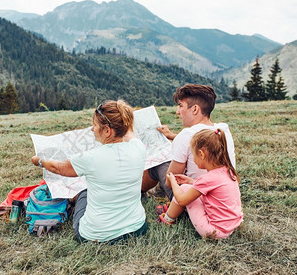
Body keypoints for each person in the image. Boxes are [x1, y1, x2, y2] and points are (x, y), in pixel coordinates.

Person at [31, 100, 148, 243]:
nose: (92, 129)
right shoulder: (138, 147)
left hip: (96, 234)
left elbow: (58, 167)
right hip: (137, 228)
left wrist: (39, 161)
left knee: (84, 191)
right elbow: (128, 131)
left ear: (107, 131)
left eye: (95, 125)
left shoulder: (90, 158)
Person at [142, 84, 236, 200]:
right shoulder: (222, 130)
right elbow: (201, 140)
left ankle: (138, 193)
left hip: (191, 200)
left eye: (181, 106)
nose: (177, 112)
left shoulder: (186, 135)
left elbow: (170, 182)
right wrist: (172, 136)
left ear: (195, 109)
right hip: (222, 196)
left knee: (158, 161)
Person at [159, 128, 243, 239]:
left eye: (194, 155)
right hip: (232, 226)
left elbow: (182, 200)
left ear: (201, 154)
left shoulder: (207, 179)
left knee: (184, 189)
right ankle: (171, 212)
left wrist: (173, 181)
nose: (193, 158)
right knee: (188, 186)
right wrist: (191, 181)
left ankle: (168, 220)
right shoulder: (227, 170)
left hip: (214, 232)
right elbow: (212, 189)